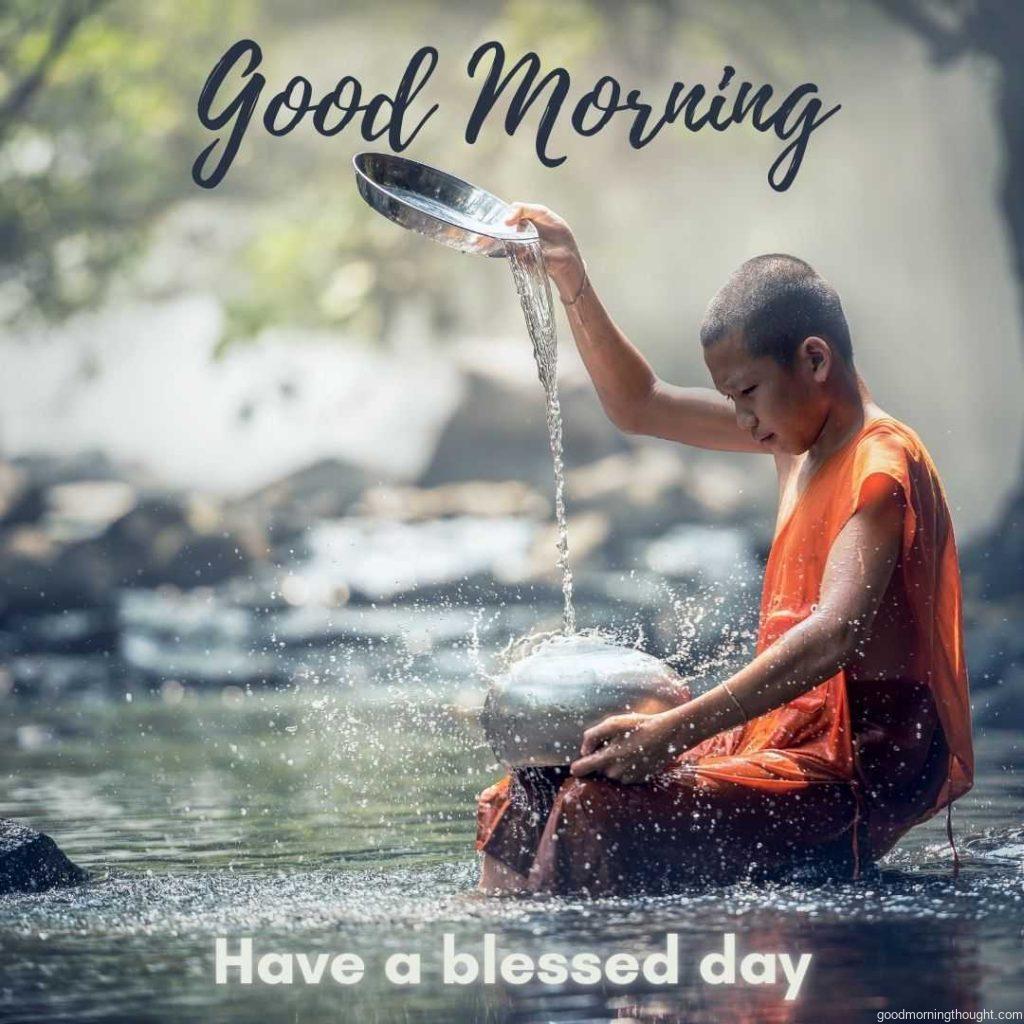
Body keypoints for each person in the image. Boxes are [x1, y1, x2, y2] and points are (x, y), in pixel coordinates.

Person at [476, 204, 974, 896]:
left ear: (814, 360)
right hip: (779, 740)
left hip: (853, 770)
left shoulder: (879, 462)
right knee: (529, 787)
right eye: (729, 399)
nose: (742, 421)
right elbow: (641, 404)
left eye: (747, 394)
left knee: (593, 807)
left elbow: (835, 634)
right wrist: (570, 276)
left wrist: (674, 732)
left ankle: (607, 987)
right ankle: (500, 959)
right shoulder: (794, 434)